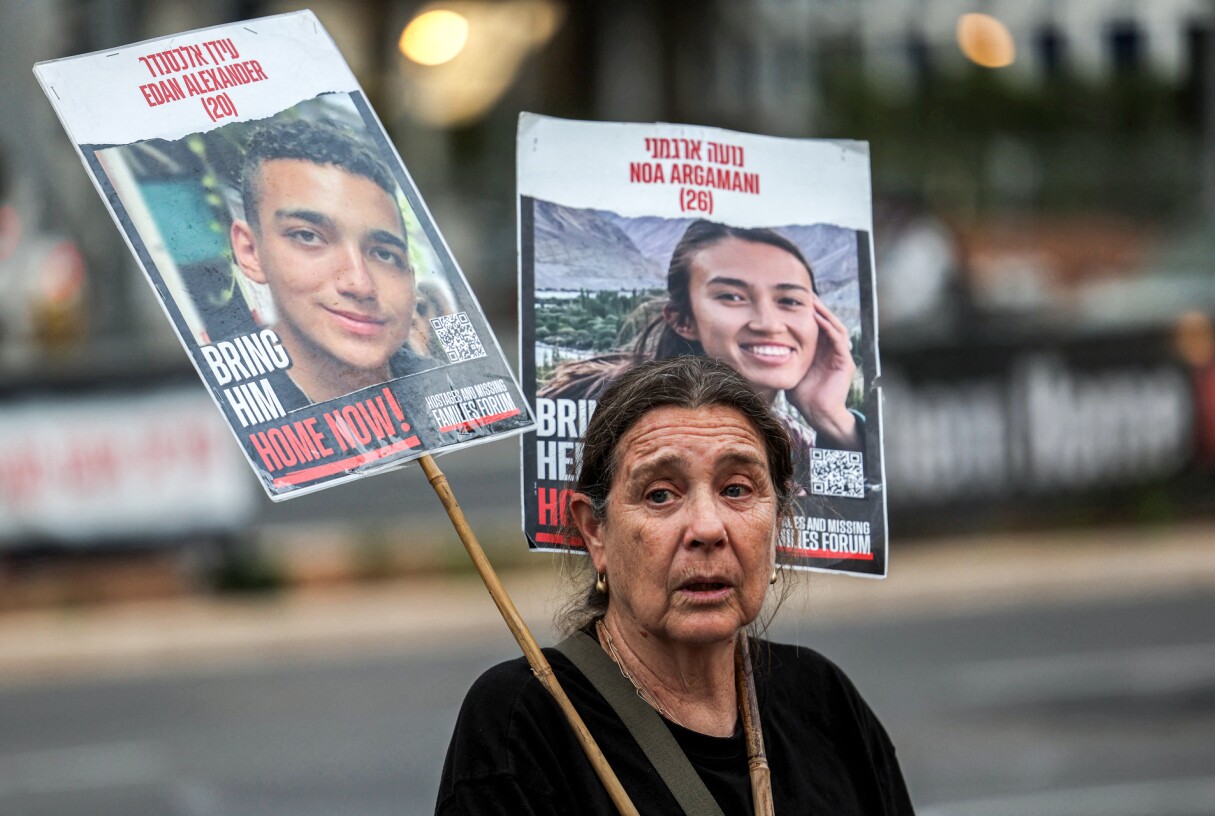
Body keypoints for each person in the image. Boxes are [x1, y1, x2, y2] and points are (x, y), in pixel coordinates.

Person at [437, 357, 912, 814]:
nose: (707, 527)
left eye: (736, 489)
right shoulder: (526, 721)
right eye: (660, 494)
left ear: (779, 524)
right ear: (594, 532)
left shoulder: (824, 702)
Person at [541, 220, 864, 454]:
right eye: (732, 296)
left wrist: (832, 420)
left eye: (790, 301)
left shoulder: (797, 444)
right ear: (683, 320)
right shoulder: (594, 403)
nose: (769, 324)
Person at [230, 119, 422, 405]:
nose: (360, 284)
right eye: (308, 236)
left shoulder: (446, 390)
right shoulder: (227, 412)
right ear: (250, 251)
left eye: (383, 254)